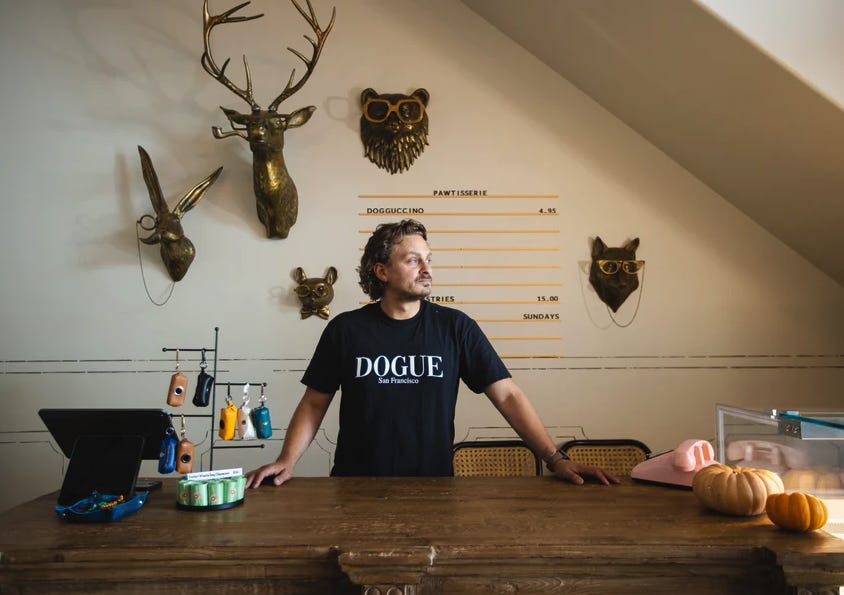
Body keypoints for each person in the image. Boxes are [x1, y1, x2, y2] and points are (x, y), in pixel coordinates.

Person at [246, 219, 619, 487]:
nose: (427, 269)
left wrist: (554, 458)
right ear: (382, 271)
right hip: (354, 485)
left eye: (428, 258)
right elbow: (314, 403)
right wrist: (286, 461)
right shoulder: (346, 329)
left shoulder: (456, 327)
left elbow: (507, 394)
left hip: (434, 488)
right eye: (413, 260)